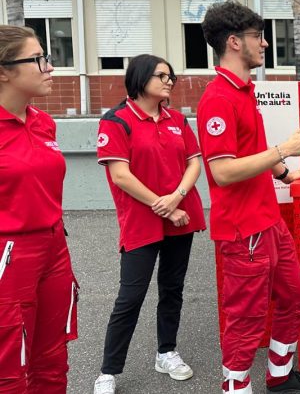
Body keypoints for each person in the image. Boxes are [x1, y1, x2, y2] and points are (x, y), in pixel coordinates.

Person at [196, 1, 300, 394]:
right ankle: (235, 388)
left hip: (267, 222)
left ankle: (280, 376)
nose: (265, 43)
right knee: (245, 321)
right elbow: (222, 172)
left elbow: (250, 149)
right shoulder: (218, 98)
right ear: (234, 42)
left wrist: (285, 172)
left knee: (296, 297)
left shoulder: (243, 91)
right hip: (243, 231)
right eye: (258, 36)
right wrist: (283, 150)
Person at [93, 55, 206, 394]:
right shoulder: (117, 120)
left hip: (180, 215)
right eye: (161, 75)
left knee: (172, 289)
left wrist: (178, 196)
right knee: (131, 296)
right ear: (140, 78)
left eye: (171, 76)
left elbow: (194, 162)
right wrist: (165, 206)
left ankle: (166, 352)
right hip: (142, 221)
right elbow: (121, 175)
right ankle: (108, 371)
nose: (169, 81)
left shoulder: (177, 119)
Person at [0, 25, 78, 393]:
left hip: (54, 248)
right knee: (10, 367)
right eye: (38, 59)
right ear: (4, 71)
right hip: (10, 255)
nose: (50, 67)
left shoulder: (43, 122)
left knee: (52, 359)